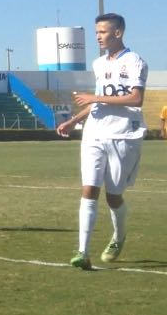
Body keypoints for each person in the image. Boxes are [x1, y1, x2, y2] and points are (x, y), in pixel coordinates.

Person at [57, 13, 147, 270]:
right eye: (96, 32)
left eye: (103, 32)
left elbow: (135, 99)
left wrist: (95, 99)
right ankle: (83, 251)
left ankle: (119, 236)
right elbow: (97, 100)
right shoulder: (98, 64)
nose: (98, 37)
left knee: (114, 196)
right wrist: (75, 119)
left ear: (117, 33)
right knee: (89, 189)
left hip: (123, 135)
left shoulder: (134, 62)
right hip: (94, 133)